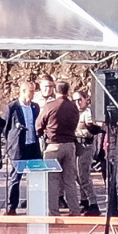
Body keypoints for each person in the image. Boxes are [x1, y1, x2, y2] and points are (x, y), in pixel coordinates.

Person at [36, 79, 83, 215]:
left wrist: (42, 133)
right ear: (67, 91)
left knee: (52, 181)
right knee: (70, 180)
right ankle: (75, 210)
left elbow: (39, 125)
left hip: (53, 145)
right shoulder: (74, 107)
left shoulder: (50, 106)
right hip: (70, 145)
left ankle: (54, 212)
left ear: (55, 91)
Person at [4, 78, 42, 214]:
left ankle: (34, 204)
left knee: (35, 176)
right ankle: (11, 206)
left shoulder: (35, 106)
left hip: (32, 145)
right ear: (23, 91)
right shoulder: (12, 107)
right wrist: (10, 145)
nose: (33, 94)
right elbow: (6, 128)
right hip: (18, 148)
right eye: (31, 91)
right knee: (16, 177)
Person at [75, 87, 104, 215]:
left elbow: (92, 131)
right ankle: (84, 200)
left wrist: (76, 132)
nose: (77, 103)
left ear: (85, 100)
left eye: (79, 100)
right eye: (74, 100)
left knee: (84, 176)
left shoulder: (89, 113)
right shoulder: (73, 112)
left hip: (86, 146)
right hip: (76, 146)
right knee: (77, 175)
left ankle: (93, 203)